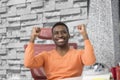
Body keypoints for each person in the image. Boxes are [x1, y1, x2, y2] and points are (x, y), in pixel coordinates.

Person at [24, 22, 96, 80]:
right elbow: (28, 63)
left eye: (63, 32)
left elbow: (90, 61)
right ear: (52, 37)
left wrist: (85, 35)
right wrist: (33, 37)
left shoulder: (78, 53)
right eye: (56, 33)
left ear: (68, 35)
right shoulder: (45, 56)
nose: (60, 35)